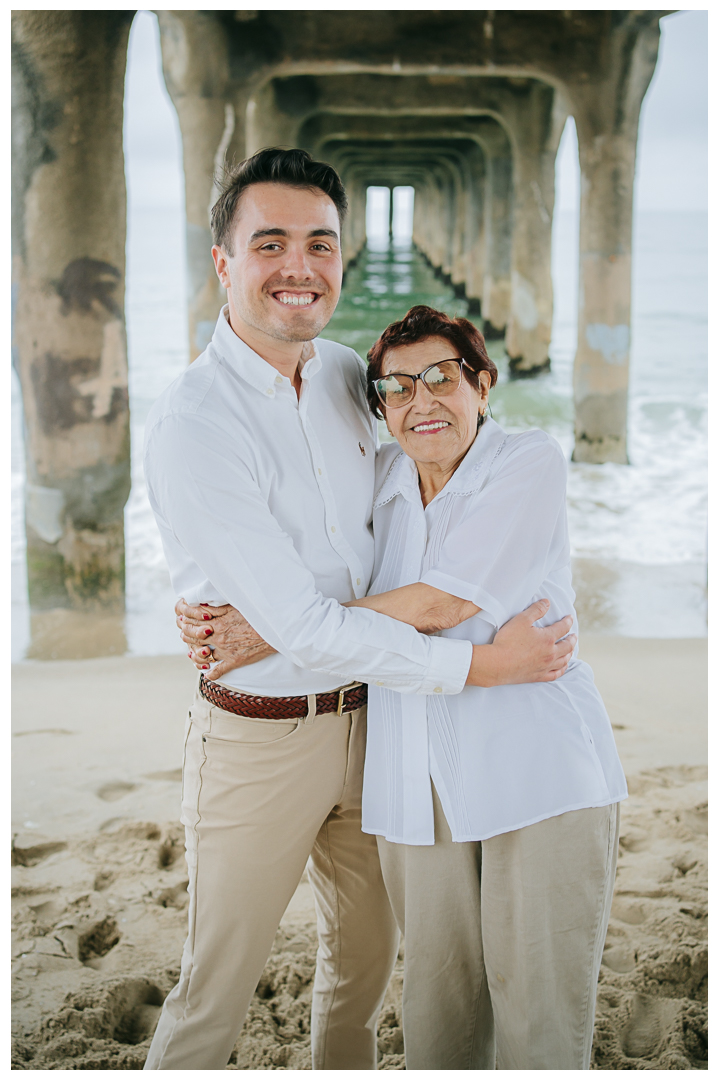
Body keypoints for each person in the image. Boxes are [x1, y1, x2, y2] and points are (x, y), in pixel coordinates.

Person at [143, 149, 575, 1070]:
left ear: (343, 258)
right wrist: (480, 664)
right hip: (264, 735)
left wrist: (264, 623)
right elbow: (303, 629)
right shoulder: (198, 425)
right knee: (217, 981)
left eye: (320, 243)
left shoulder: (348, 374)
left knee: (365, 965)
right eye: (270, 244)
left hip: (378, 725)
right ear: (223, 262)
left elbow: (412, 505)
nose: (298, 266)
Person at [186, 305, 628, 1071]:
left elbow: (441, 605)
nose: (421, 402)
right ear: (380, 409)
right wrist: (204, 595)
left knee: (538, 1012)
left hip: (538, 774)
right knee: (437, 1003)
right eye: (396, 389)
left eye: (440, 379)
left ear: (482, 385)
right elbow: (303, 534)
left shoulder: (527, 462)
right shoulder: (383, 479)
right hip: (413, 783)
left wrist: (272, 630)